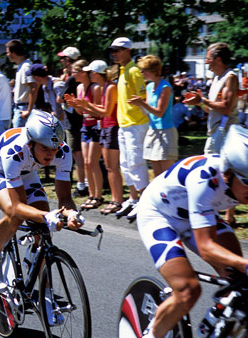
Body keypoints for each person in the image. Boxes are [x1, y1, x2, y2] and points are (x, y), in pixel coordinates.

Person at [131, 125, 248, 338]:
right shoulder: (205, 178)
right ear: (227, 172)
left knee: (239, 282)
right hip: (160, 215)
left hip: (198, 216)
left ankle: (222, 317)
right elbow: (207, 247)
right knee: (188, 290)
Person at [0, 110, 83, 322]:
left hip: (26, 172)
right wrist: (47, 216)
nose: (50, 154)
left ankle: (45, 296)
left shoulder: (62, 151)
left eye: (53, 148)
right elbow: (17, 206)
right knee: (15, 215)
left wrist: (71, 213)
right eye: (45, 148)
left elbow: (64, 197)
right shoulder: (15, 150)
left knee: (43, 231)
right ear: (30, 143)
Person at [66, 60, 123, 214]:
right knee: (87, 164)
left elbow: (102, 112)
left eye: (91, 72)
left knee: (100, 164)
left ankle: (107, 198)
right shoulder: (99, 87)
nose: (89, 74)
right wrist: (78, 105)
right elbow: (85, 111)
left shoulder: (103, 87)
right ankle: (95, 196)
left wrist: (85, 105)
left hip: (101, 126)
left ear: (96, 73)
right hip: (92, 126)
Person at [110, 37, 150, 218]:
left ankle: (145, 201)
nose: (114, 54)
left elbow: (143, 97)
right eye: (113, 51)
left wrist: (139, 103)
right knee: (125, 165)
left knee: (136, 163)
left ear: (127, 50)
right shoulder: (122, 70)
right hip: (125, 124)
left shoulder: (134, 71)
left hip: (136, 124)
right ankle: (133, 198)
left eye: (118, 50)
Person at [183, 42, 239, 154]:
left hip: (225, 135)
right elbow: (211, 109)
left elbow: (226, 108)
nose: (206, 62)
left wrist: (203, 100)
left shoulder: (230, 78)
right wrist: (200, 103)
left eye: (208, 59)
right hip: (214, 134)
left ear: (218, 59)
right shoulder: (216, 78)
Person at [129, 55, 177, 177]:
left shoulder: (165, 87)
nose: (141, 73)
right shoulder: (149, 87)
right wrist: (139, 104)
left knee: (167, 173)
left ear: (152, 71)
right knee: (156, 172)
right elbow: (149, 110)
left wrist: (142, 103)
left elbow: (159, 112)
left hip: (165, 131)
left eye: (143, 70)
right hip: (153, 130)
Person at [65, 60, 103, 210]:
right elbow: (81, 113)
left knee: (92, 162)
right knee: (86, 163)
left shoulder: (95, 88)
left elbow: (99, 111)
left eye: (75, 71)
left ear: (82, 72)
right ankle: (91, 195)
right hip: (85, 126)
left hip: (95, 126)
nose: (73, 75)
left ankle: (98, 196)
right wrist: (75, 106)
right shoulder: (80, 87)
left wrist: (84, 105)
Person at [56, 46, 87, 197]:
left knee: (77, 154)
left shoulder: (71, 78)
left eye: (63, 58)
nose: (61, 61)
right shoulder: (72, 77)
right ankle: (84, 182)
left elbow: (59, 98)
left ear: (69, 60)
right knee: (80, 154)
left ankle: (82, 184)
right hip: (77, 118)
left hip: (73, 120)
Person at [6, 40, 37, 128]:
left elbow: (34, 87)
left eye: (8, 52)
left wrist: (28, 110)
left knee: (20, 139)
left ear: (14, 53)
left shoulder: (25, 67)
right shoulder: (21, 66)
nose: (7, 55)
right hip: (19, 108)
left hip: (23, 109)